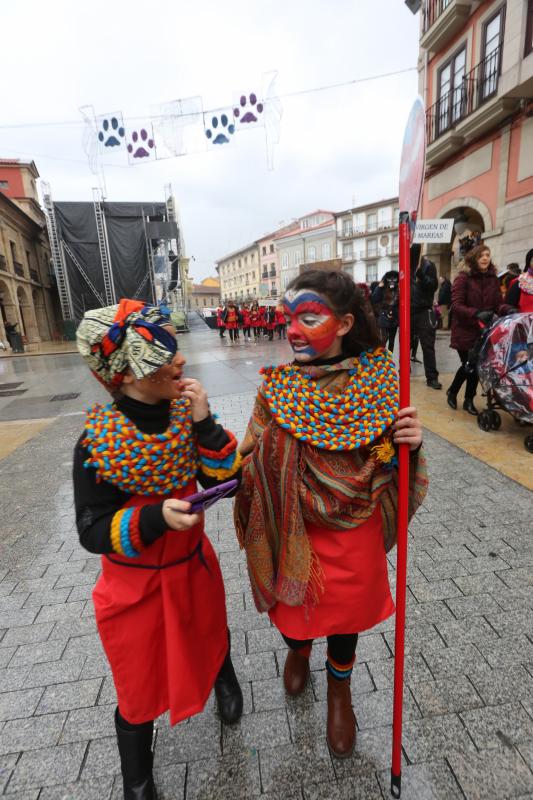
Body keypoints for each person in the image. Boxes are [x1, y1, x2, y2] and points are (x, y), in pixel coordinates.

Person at [234, 270, 427, 759]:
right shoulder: (277, 389)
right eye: (288, 318)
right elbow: (247, 454)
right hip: (293, 522)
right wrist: (256, 460)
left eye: (309, 317)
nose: (293, 330)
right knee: (292, 611)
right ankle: (298, 648)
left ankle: (339, 688)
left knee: (346, 617)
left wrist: (402, 447)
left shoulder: (381, 381)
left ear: (343, 323)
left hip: (354, 523)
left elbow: (378, 457)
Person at [73, 300, 243, 800]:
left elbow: (225, 481)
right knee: (137, 682)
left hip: (192, 568)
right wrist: (152, 518)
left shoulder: (185, 417)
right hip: (133, 589)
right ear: (125, 370)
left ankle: (223, 677)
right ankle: (138, 780)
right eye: (162, 352)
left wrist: (206, 424)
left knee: (209, 630)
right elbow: (90, 528)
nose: (180, 360)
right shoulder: (96, 443)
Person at [447, 245, 514, 415]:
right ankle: (454, 391)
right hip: (465, 330)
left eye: (487, 255)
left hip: (485, 331)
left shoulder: (493, 279)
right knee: (470, 364)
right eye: (481, 256)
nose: (485, 258)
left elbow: (497, 303)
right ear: (473, 259)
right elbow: (456, 305)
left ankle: (468, 399)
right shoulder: (463, 278)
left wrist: (507, 309)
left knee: (476, 366)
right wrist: (476, 313)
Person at [410, 248, 441, 389]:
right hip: (408, 312)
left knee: (427, 346)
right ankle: (404, 371)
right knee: (405, 345)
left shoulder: (427, 265)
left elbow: (432, 286)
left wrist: (421, 275)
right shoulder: (405, 266)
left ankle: (432, 377)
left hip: (423, 311)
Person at [371, 271, 399, 352]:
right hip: (384, 316)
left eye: (394, 278)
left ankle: (389, 358)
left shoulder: (399, 288)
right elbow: (374, 299)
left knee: (392, 340)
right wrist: (379, 288)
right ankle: (382, 357)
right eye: (390, 278)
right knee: (384, 339)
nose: (392, 280)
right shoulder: (382, 288)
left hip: (394, 317)